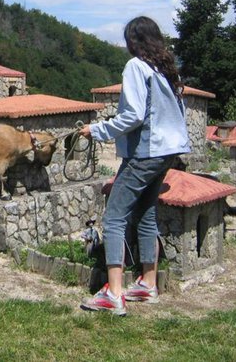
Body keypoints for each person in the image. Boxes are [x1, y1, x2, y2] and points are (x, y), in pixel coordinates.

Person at [78, 16, 191, 316]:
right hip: (167, 152)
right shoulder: (165, 72)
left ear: (133, 42)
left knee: (114, 216)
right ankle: (147, 283)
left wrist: (97, 130)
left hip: (145, 152)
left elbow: (133, 116)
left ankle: (114, 294)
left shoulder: (136, 67)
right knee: (145, 213)